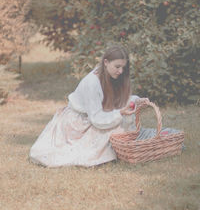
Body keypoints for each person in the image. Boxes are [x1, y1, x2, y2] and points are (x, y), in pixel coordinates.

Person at [29, 43, 181, 167]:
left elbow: (117, 99)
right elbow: (97, 120)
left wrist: (135, 100)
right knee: (115, 132)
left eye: (123, 67)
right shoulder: (92, 83)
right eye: (117, 66)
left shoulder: (111, 76)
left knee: (122, 128)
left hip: (96, 117)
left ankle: (149, 143)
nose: (121, 71)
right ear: (106, 62)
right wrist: (120, 113)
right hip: (78, 124)